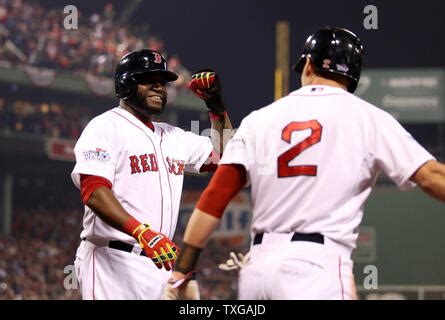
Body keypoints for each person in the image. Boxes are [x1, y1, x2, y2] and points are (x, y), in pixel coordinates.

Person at [162, 27, 445, 300]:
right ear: (354, 76)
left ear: (308, 65)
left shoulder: (260, 118)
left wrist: (184, 268)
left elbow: (215, 197)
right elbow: (431, 176)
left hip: (258, 269)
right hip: (316, 266)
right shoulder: (368, 117)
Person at [70, 49, 233, 299]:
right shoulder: (105, 127)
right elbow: (93, 191)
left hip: (159, 261)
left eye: (162, 82)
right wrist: (141, 231)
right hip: (111, 260)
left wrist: (215, 105)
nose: (159, 87)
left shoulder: (173, 136)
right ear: (125, 85)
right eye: (149, 80)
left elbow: (225, 155)